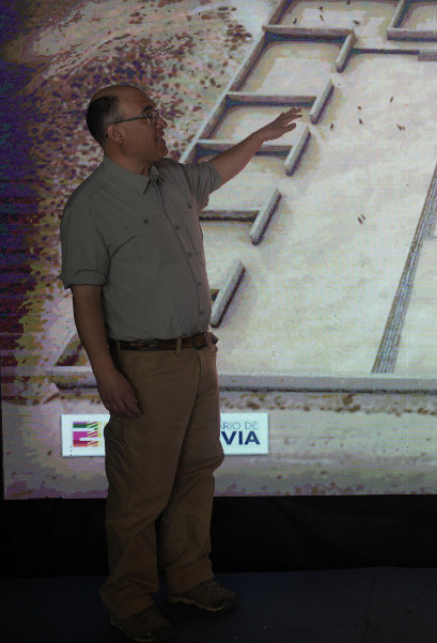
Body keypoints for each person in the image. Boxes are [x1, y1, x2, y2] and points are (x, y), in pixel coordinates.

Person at [59, 84, 301, 642]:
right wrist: (106, 374)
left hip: (197, 355)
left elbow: (216, 172)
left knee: (196, 473)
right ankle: (129, 600)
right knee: (140, 490)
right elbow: (85, 296)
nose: (160, 121)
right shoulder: (91, 206)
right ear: (115, 134)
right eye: (148, 115)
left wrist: (262, 136)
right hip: (144, 367)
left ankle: (191, 579)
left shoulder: (171, 179)